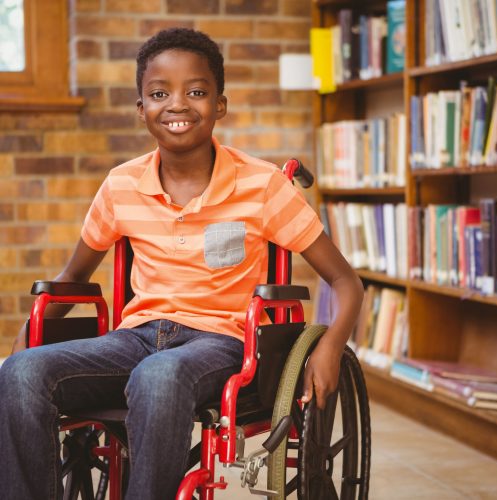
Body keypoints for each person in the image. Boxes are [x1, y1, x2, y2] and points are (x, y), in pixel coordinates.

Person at [0, 28, 363, 500]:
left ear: (220, 105)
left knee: (160, 376)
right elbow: (73, 278)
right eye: (158, 93)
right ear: (141, 108)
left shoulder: (264, 185)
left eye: (196, 92)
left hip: (223, 344)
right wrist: (20, 349)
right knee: (21, 374)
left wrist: (331, 346)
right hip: (136, 336)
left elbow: (346, 280)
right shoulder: (121, 185)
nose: (177, 105)